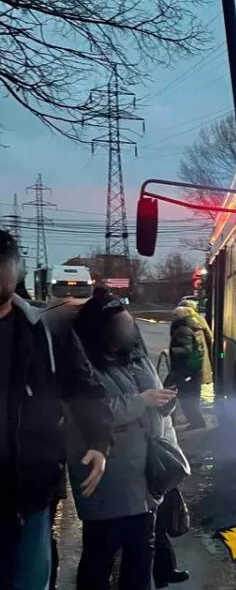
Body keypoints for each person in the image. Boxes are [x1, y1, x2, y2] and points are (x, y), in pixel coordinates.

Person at [0, 230, 113, 589]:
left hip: (30, 495)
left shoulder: (44, 331)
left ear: (16, 272)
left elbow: (85, 387)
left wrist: (99, 441)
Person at [69, 292, 182, 590]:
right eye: (121, 324)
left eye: (129, 323)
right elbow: (94, 410)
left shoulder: (136, 357)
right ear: (101, 330)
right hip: (107, 478)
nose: (128, 330)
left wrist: (165, 402)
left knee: (141, 558)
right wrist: (142, 400)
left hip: (145, 479)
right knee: (99, 557)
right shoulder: (81, 364)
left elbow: (154, 396)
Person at [169, 305, 213, 430]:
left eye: (174, 316)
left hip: (186, 370)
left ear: (179, 317)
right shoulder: (191, 327)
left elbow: (185, 350)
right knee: (190, 395)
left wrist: (171, 351)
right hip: (192, 370)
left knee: (187, 397)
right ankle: (196, 422)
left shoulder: (182, 330)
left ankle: (197, 422)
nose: (172, 318)